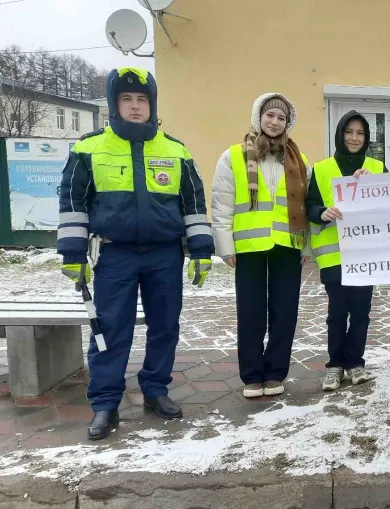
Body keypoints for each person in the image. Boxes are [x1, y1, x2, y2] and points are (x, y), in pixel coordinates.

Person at [57, 67, 214, 440]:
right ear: (114, 104)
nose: (135, 106)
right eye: (127, 99)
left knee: (165, 326)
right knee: (111, 329)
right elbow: (72, 203)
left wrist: (202, 251)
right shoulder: (88, 148)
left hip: (164, 255)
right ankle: (105, 402)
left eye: (142, 100)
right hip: (115, 254)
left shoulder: (176, 150)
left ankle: (155, 390)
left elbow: (193, 204)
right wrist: (73, 255)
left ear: (152, 104)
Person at [210, 93, 310, 399]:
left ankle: (275, 372)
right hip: (248, 246)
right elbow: (222, 201)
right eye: (270, 116)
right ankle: (252, 375)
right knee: (251, 311)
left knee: (285, 310)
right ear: (258, 117)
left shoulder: (299, 159)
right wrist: (225, 245)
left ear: (288, 123)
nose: (275, 122)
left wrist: (305, 248)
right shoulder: (233, 156)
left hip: (287, 245)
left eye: (282, 117)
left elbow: (306, 206)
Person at [306, 111, 386, 391]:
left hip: (365, 254)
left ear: (367, 138)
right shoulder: (323, 168)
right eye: (349, 132)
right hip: (334, 255)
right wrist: (321, 212)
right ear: (340, 135)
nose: (354, 138)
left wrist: (373, 185)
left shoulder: (377, 167)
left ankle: (355, 363)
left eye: (360, 133)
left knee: (361, 312)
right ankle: (335, 365)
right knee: (337, 312)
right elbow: (311, 204)